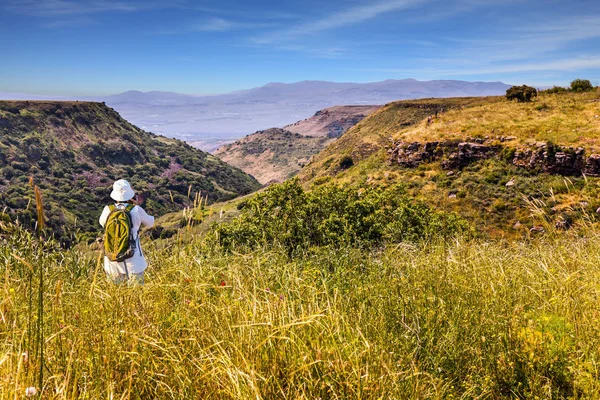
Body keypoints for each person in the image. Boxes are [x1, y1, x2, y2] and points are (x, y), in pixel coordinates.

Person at [99, 179, 154, 284]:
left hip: (112, 259)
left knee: (114, 294)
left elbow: (102, 223)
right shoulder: (136, 210)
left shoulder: (108, 209)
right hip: (133, 259)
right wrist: (137, 205)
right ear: (130, 194)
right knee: (136, 294)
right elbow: (150, 223)